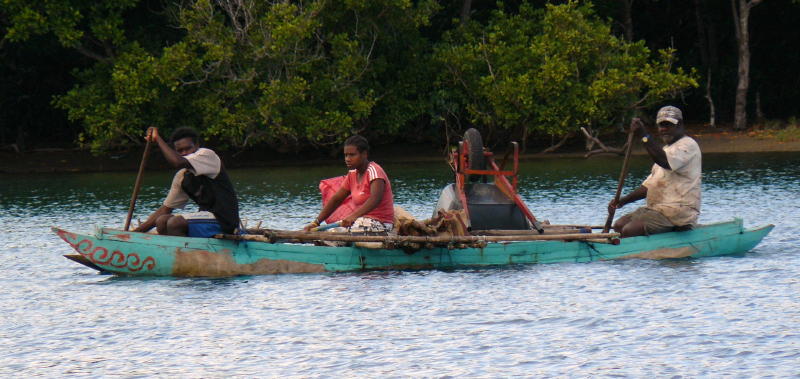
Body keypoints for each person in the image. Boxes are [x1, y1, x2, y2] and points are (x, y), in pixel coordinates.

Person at [609, 106, 701, 237]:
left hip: (677, 212)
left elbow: (665, 162)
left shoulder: (687, 145)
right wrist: (622, 202)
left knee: (629, 230)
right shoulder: (666, 150)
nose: (663, 129)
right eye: (661, 126)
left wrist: (644, 135)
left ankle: (671, 235)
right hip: (658, 210)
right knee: (619, 225)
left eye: (668, 125)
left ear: (680, 125)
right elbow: (649, 186)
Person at [134, 127, 240, 237]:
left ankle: (181, 253)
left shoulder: (207, 155)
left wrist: (157, 139)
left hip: (225, 221)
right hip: (206, 221)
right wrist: (134, 233)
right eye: (180, 151)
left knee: (175, 223)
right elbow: (165, 209)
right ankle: (171, 251)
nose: (185, 153)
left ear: (197, 146)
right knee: (161, 220)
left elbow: (177, 162)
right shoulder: (182, 176)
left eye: (188, 148)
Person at [304, 135, 395, 233]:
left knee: (346, 232)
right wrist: (316, 222)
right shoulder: (352, 174)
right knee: (327, 236)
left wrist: (353, 216)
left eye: (352, 155)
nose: (347, 159)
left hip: (381, 224)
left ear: (364, 154)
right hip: (359, 221)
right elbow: (336, 199)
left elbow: (375, 199)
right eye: (346, 155)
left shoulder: (374, 171)